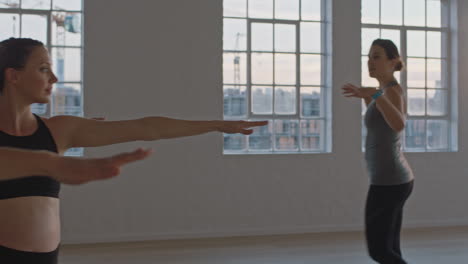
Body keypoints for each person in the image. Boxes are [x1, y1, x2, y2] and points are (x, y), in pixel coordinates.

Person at [0, 37, 267, 264]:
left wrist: (216, 125)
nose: (54, 78)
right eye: (43, 69)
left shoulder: (59, 130)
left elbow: (147, 128)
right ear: (13, 75)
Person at [342, 39, 414, 264]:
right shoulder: (383, 92)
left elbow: (398, 124)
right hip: (392, 180)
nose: (370, 62)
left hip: (390, 182)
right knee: (390, 248)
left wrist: (373, 95)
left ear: (393, 62)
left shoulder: (391, 91)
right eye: (369, 57)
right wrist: (367, 96)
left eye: (377, 56)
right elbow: (380, 122)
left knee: (379, 251)